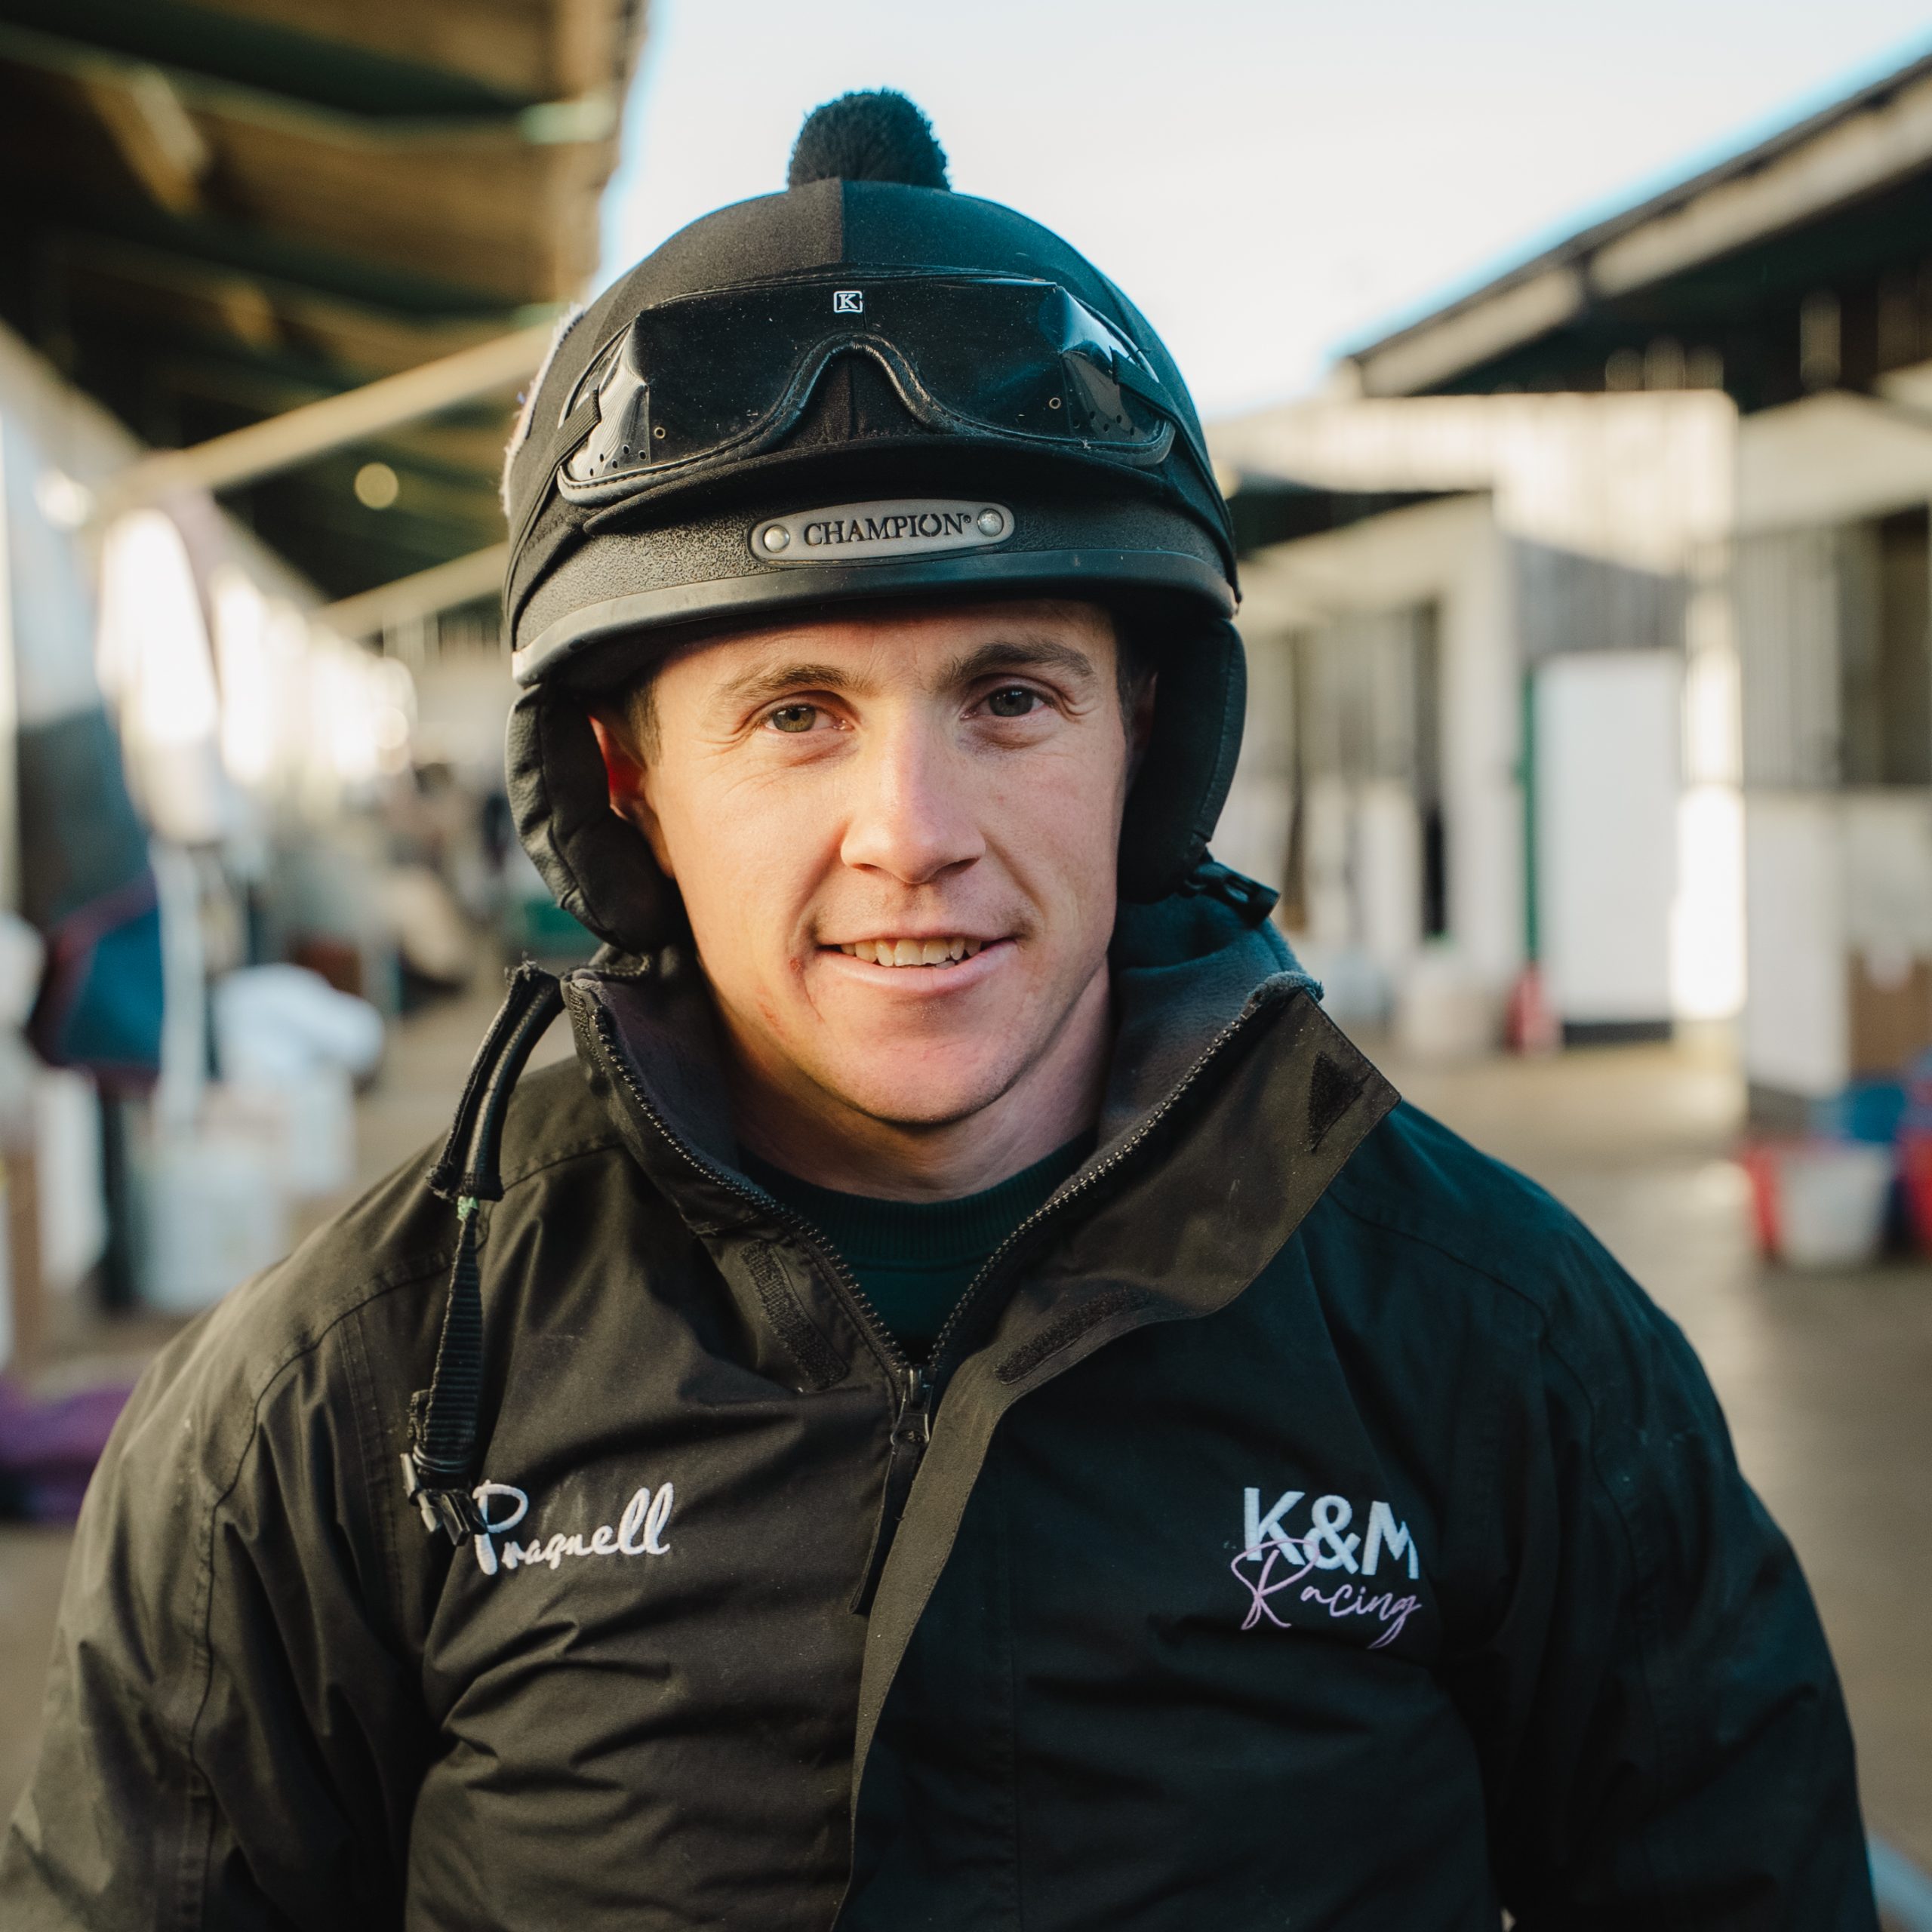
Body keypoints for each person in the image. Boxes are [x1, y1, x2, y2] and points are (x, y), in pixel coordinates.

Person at [3, 91, 1876, 1931]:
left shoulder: (1501, 1345)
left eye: (1008, 698)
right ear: (626, 780)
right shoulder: (342, 1398)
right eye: (792, 712)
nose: (911, 834)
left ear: (1144, 735)